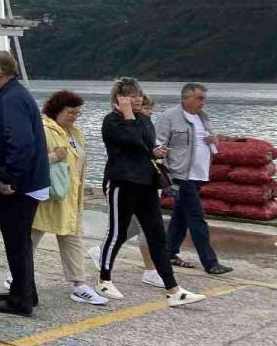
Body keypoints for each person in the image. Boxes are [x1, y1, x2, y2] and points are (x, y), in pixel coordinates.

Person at [95, 77, 206, 307]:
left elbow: (145, 146)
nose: (137, 99)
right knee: (117, 232)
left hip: (145, 183)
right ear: (119, 98)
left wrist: (156, 151)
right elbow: (133, 140)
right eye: (132, 96)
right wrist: (128, 115)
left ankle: (172, 288)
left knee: (157, 235)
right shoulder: (112, 121)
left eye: (138, 95)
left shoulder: (144, 120)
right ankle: (104, 279)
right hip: (121, 183)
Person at [0, 51, 50, 317]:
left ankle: (21, 299)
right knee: (19, 241)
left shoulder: (11, 100)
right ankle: (26, 290)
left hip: (18, 188)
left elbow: (20, 143)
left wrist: (9, 178)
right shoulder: (15, 95)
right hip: (28, 183)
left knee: (16, 242)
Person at [32, 91, 106, 305]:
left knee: (72, 238)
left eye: (77, 113)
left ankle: (79, 284)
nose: (73, 116)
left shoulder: (75, 133)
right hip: (50, 195)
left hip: (71, 197)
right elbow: (31, 161)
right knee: (32, 235)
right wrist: (54, 157)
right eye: (70, 112)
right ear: (57, 110)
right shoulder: (44, 130)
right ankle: (17, 275)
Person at [156, 83, 233, 276]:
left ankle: (169, 252)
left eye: (204, 98)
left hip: (199, 174)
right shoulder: (169, 117)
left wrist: (213, 140)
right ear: (185, 98)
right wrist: (165, 170)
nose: (203, 102)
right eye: (199, 98)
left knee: (181, 216)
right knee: (197, 217)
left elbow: (205, 139)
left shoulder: (202, 117)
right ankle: (210, 262)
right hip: (182, 175)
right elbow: (158, 143)